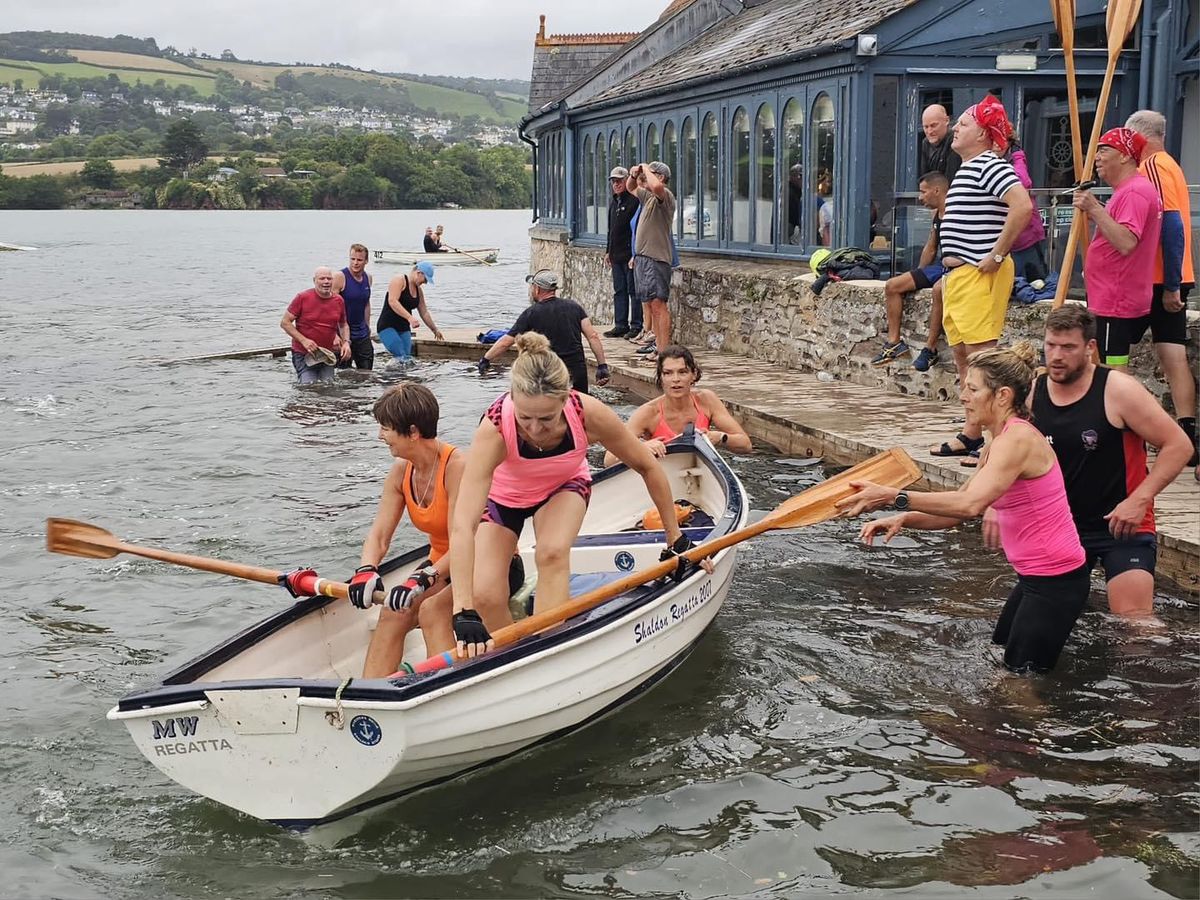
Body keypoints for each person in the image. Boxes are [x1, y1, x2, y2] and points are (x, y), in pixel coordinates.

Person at [837, 342, 1089, 674]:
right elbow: (954, 509)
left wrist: (893, 496)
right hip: (1036, 579)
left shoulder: (1017, 442)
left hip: (1056, 581)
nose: (963, 397)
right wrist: (904, 517)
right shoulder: (997, 443)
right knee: (1004, 656)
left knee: (1020, 685)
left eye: (971, 389)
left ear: (1001, 396)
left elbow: (971, 505)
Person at [449, 333, 705, 658]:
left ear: (565, 400)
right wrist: (463, 610)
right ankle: (512, 658)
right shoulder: (495, 428)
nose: (535, 428)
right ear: (512, 398)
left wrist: (675, 538)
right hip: (506, 499)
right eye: (525, 417)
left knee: (552, 552)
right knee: (484, 596)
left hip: (564, 487)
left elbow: (647, 467)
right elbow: (463, 524)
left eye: (546, 418)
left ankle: (549, 648)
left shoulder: (587, 413)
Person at [1031, 305, 1192, 617]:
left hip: (1122, 526)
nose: (1057, 356)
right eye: (1051, 345)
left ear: (1091, 348)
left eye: (1068, 347)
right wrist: (997, 504)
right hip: (1063, 526)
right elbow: (1005, 449)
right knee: (1044, 620)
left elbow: (1179, 445)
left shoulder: (1119, 390)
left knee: (1135, 626)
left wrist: (1140, 500)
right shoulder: (1034, 391)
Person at [930, 95, 1033, 465]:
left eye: (965, 123)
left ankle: (999, 441)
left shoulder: (991, 164)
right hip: (960, 276)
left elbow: (1022, 206)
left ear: (985, 134)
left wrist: (997, 254)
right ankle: (973, 434)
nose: (956, 128)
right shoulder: (971, 167)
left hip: (978, 273)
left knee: (983, 362)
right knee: (965, 359)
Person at [346, 384, 464, 678]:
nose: (380, 436)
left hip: (481, 562)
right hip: (441, 566)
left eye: (385, 428)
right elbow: (380, 535)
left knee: (431, 609)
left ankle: (443, 688)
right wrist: (366, 569)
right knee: (392, 612)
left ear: (412, 432)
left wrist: (422, 579)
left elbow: (465, 541)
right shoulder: (401, 470)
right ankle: (371, 694)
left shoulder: (457, 467)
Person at [1126, 109, 1199, 466]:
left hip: (1157, 278)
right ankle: (1186, 431)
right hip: (1172, 274)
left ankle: (1128, 428)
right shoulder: (1172, 165)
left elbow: (1171, 226)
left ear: (1140, 136)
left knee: (1113, 351)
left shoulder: (1152, 166)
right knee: (1173, 354)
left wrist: (1170, 284)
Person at [1074, 127, 1163, 371]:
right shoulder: (1129, 190)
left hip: (1116, 299)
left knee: (1113, 370)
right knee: (1106, 365)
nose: (1097, 157)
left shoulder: (1134, 191)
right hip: (1113, 295)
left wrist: (1094, 209)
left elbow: (1126, 242)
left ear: (1124, 155)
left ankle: (1115, 409)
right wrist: (1098, 211)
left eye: (1104, 150)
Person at [603, 345, 751, 466]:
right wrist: (642, 447)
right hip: (663, 477)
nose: (676, 380)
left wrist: (720, 437)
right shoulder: (648, 413)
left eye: (682, 372)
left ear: (693, 375)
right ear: (661, 378)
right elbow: (609, 460)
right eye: (668, 373)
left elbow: (745, 445)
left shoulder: (706, 400)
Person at [478, 269, 610, 393]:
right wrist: (602, 365)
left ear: (537, 289)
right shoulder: (574, 307)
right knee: (579, 407)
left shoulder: (531, 313)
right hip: (576, 369)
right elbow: (592, 336)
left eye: (532, 287)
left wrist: (486, 359)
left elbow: (506, 342)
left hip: (547, 370)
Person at [872, 172, 949, 368]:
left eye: (923, 192)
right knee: (892, 286)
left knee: (939, 290)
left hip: (957, 267)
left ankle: (930, 349)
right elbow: (931, 246)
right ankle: (894, 343)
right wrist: (917, 275)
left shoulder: (956, 211)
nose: (920, 197)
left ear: (937, 191)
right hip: (939, 266)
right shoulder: (936, 215)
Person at [626, 161, 677, 358]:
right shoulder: (648, 198)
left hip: (656, 258)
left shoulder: (664, 196)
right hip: (644, 258)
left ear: (660, 176)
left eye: (650, 174)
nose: (645, 178)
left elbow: (656, 186)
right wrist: (634, 174)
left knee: (658, 305)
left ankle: (664, 351)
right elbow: (631, 187)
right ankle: (657, 346)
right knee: (650, 303)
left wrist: (645, 167)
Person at [280, 266, 350, 384]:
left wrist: (346, 343)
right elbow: (285, 323)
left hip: (327, 354)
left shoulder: (338, 300)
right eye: (322, 279)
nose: (326, 282)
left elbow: (343, 325)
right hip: (304, 353)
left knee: (328, 386)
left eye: (329, 279)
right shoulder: (302, 297)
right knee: (309, 387)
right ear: (314, 281)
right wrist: (304, 340)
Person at [377, 261, 443, 364]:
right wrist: (409, 317)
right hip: (387, 326)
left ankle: (400, 378)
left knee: (407, 358)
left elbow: (424, 312)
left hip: (403, 328)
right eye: (425, 280)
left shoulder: (419, 291)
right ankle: (390, 377)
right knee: (400, 354)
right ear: (418, 272)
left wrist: (434, 329)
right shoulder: (399, 280)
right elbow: (393, 301)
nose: (424, 283)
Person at [604, 165, 640, 338]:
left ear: (627, 181)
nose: (616, 184)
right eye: (613, 181)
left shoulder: (634, 201)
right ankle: (620, 324)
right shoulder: (614, 202)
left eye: (619, 181)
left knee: (633, 291)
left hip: (629, 254)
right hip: (616, 254)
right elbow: (611, 230)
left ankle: (636, 325)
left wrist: (635, 253)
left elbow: (637, 230)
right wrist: (607, 251)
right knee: (619, 290)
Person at [1005, 135, 1048, 282]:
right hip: (1005, 239)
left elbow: (1023, 181)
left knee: (1036, 282)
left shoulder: (1017, 158)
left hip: (1027, 237)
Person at [332, 243, 374, 370]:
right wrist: (334, 334)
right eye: (352, 259)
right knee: (343, 372)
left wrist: (367, 326)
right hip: (343, 331)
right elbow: (330, 306)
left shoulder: (368, 278)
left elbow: (366, 304)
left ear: (366, 261)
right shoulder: (340, 277)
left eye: (359, 260)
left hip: (361, 332)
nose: (355, 263)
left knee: (367, 370)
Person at [918, 103, 962, 186]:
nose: (929, 131)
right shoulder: (925, 143)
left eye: (933, 125)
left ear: (947, 121)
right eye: (926, 127)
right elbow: (924, 179)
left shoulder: (955, 140)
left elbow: (950, 180)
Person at [786, 163, 804, 245]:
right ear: (792, 176)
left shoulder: (796, 190)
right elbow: (795, 213)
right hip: (789, 228)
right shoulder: (789, 192)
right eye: (800, 177)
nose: (802, 180)